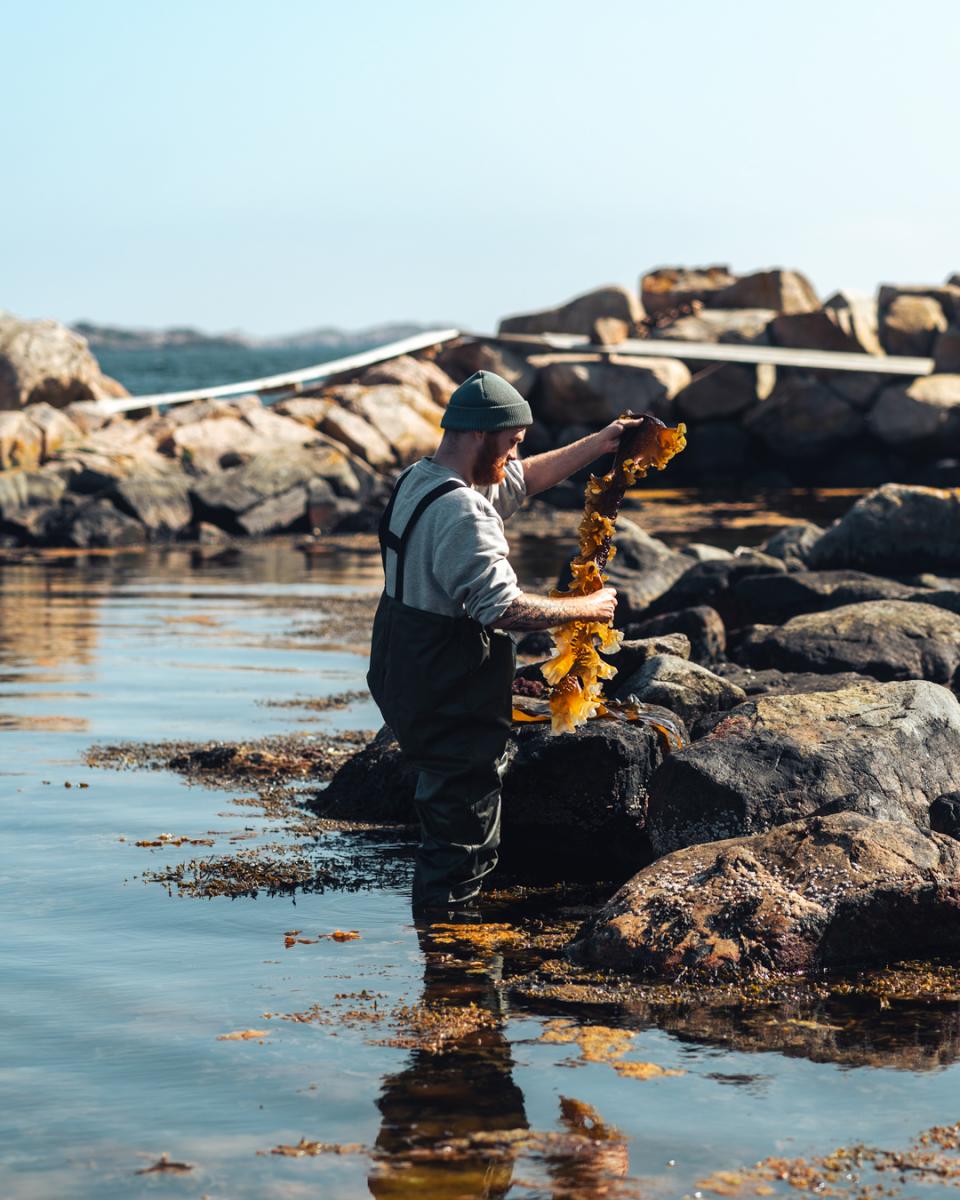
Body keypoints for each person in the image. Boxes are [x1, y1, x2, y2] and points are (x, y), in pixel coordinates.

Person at [367, 368, 638, 913]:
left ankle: (441, 956)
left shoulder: (420, 479)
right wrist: (585, 606)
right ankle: (452, 969)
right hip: (449, 691)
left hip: (404, 672)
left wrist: (602, 442)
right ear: (479, 435)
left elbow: (519, 480)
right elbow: (502, 608)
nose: (516, 455)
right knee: (462, 840)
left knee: (446, 809)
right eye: (512, 442)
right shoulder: (463, 511)